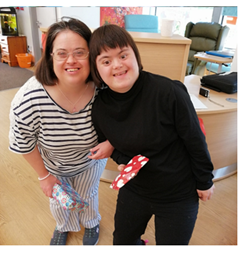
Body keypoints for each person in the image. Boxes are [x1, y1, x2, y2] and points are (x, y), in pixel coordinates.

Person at [89, 24, 215, 245]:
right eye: (106, 61)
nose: (117, 65)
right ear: (96, 69)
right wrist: (122, 161)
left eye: (123, 55)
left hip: (179, 192)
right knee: (122, 243)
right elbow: (109, 143)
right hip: (135, 189)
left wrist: (205, 181)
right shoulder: (100, 106)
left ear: (135, 56)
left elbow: (195, 140)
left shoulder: (169, 92)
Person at [8, 18, 112, 245]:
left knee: (88, 195)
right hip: (52, 163)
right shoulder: (29, 98)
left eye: (80, 52)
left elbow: (123, 118)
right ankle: (64, 226)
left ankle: (92, 221)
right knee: (58, 201)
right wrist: (44, 176)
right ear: (50, 57)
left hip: (90, 161)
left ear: (92, 55)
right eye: (62, 53)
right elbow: (23, 142)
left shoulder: (104, 86)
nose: (71, 60)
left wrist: (112, 142)